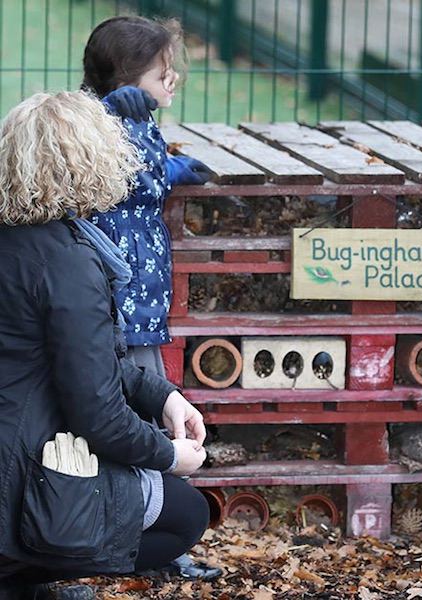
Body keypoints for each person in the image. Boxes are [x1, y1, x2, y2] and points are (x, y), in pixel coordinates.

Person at [0, 92, 210, 600]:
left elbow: (83, 361)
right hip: (18, 468)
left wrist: (163, 395)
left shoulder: (22, 241)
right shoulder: (67, 262)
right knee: (186, 515)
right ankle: (15, 578)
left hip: (14, 437)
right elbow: (96, 412)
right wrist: (168, 455)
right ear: (95, 161)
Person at [80, 16, 218, 582]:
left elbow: (149, 171)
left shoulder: (126, 121)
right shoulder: (114, 125)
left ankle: (154, 528)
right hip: (124, 311)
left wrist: (174, 163)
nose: (176, 79)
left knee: (152, 416)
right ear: (131, 81)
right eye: (165, 72)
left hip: (139, 305)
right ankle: (152, 533)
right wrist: (173, 166)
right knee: (141, 423)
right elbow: (139, 176)